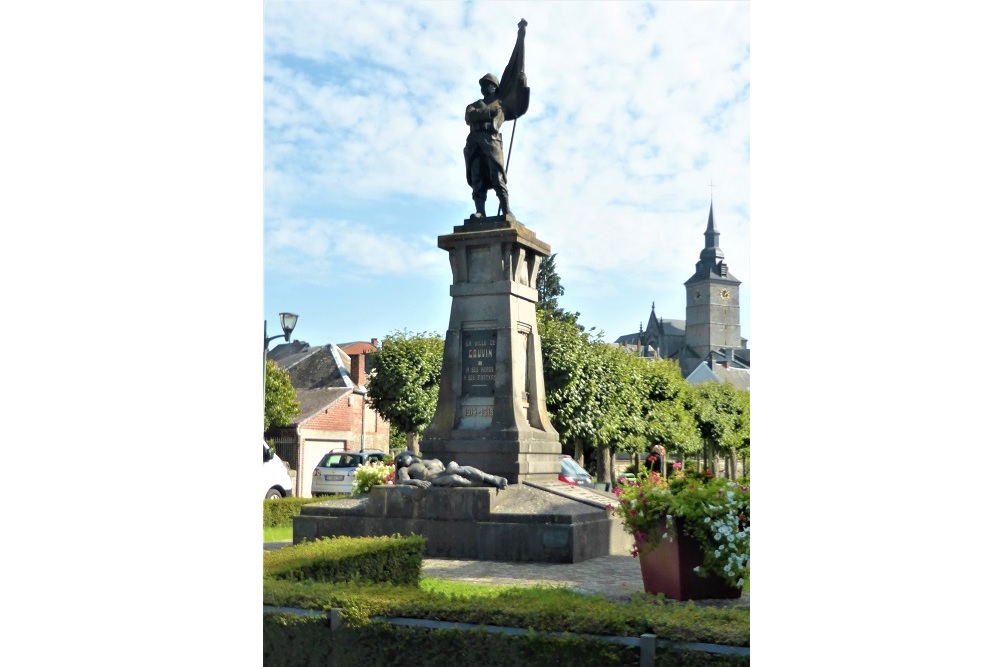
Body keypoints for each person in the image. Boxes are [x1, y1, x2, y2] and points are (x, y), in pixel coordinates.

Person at [463, 20, 530, 219]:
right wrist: (486, 114)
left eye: (488, 84)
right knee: (477, 176)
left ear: (494, 87)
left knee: (497, 176)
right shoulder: (474, 104)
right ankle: (480, 211)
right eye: (483, 85)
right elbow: (469, 116)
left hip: (492, 142)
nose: (485, 87)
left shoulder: (501, 105)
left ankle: (507, 210)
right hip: (475, 141)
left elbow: (519, 108)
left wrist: (522, 86)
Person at [394, 451, 508, 490]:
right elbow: (403, 481)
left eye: (400, 458)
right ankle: (484, 483)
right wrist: (416, 482)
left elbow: (442, 468)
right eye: (399, 460)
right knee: (454, 478)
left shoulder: (432, 460)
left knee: (459, 469)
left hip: (444, 471)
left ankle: (492, 478)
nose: (400, 460)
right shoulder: (405, 469)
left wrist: (449, 469)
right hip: (434, 479)